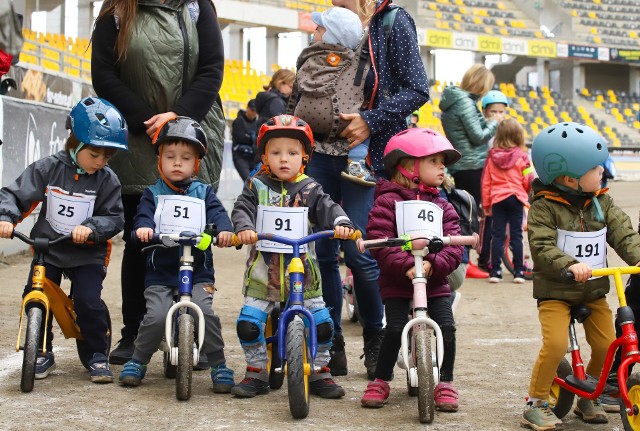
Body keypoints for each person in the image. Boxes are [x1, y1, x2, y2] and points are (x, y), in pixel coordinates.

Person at [91, 0, 226, 365]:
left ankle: (189, 323)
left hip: (190, 133)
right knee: (141, 241)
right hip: (138, 139)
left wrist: (179, 117)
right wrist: (147, 119)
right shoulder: (117, 8)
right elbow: (103, 73)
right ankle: (134, 332)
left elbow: (212, 69)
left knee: (194, 237)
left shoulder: (198, 7)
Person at [304, 0, 429, 380]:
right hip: (322, 150)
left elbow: (416, 90)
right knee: (322, 247)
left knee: (361, 249)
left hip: (365, 151)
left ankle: (376, 339)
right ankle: (331, 342)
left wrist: (369, 121)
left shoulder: (391, 20)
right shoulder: (332, 25)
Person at [521, 122, 640, 430]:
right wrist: (569, 264)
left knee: (606, 345)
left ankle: (589, 395)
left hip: (593, 290)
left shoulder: (602, 201)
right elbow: (542, 246)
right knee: (557, 344)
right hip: (556, 291)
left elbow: (624, 234)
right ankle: (536, 401)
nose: (603, 172)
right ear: (569, 177)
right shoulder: (544, 207)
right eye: (596, 168)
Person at [0, 97, 127, 383]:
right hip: (49, 249)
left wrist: (92, 227)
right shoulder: (48, 168)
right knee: (36, 296)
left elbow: (114, 217)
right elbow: (16, 195)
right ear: (75, 142)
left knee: (87, 302)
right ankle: (42, 351)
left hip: (87, 253)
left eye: (107, 157)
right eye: (95, 154)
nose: (100, 162)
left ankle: (96, 354)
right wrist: (6, 218)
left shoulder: (107, 180)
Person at [230, 115, 355, 399]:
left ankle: (321, 369)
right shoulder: (256, 186)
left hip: (303, 274)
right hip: (264, 272)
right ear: (264, 156)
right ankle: (257, 370)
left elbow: (328, 206)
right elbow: (242, 209)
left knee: (323, 324)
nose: (284, 159)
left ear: (305, 158)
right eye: (275, 152)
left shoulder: (311, 188)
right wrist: (245, 227)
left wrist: (341, 222)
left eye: (292, 153)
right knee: (249, 323)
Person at [118, 117, 235, 392]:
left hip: (197, 270)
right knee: (156, 316)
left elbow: (218, 215)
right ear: (159, 159)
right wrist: (144, 228)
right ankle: (139, 359)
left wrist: (224, 231)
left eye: (185, 158)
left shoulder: (204, 192)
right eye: (170, 156)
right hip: (162, 270)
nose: (177, 163)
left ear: (196, 163)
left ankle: (218, 363)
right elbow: (142, 218)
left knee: (204, 312)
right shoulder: (152, 193)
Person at [361, 128, 463, 411]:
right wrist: (406, 265)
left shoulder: (443, 205)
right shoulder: (387, 202)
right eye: (434, 161)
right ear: (408, 167)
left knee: (447, 327)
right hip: (398, 280)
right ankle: (380, 379)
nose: (442, 166)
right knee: (393, 328)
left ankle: (446, 381)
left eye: (444, 161)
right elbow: (380, 241)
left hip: (435, 279)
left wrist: (435, 264)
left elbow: (454, 243)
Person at [292, 7, 374, 186]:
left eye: (319, 29)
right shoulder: (358, 61)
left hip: (313, 134)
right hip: (344, 129)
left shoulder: (309, 56)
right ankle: (356, 161)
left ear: (330, 35)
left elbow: (297, 94)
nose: (314, 32)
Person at [439, 64, 499, 280]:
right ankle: (465, 260)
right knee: (469, 215)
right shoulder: (465, 102)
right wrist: (494, 123)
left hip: (463, 164)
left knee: (465, 212)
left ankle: (465, 259)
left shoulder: (455, 100)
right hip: (472, 165)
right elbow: (477, 135)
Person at [480, 118, 533, 284]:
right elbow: (529, 179)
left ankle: (495, 271)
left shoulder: (491, 156)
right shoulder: (523, 156)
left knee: (497, 236)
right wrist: (525, 194)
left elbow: (486, 182)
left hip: (497, 199)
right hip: (516, 198)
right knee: (516, 235)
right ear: (518, 136)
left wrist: (487, 204)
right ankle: (518, 271)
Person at [476, 89, 510, 273]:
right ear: (484, 112)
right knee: (488, 224)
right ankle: (484, 258)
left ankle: (510, 256)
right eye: (493, 112)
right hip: (489, 185)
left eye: (501, 112)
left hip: (504, 186)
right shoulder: (485, 132)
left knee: (507, 226)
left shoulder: (506, 131)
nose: (498, 116)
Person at [231, 99, 259, 182]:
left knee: (257, 183)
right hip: (241, 157)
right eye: (252, 110)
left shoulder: (257, 123)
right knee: (249, 181)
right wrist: (253, 138)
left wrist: (250, 136)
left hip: (253, 157)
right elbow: (240, 138)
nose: (254, 113)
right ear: (248, 108)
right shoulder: (239, 121)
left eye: (255, 111)